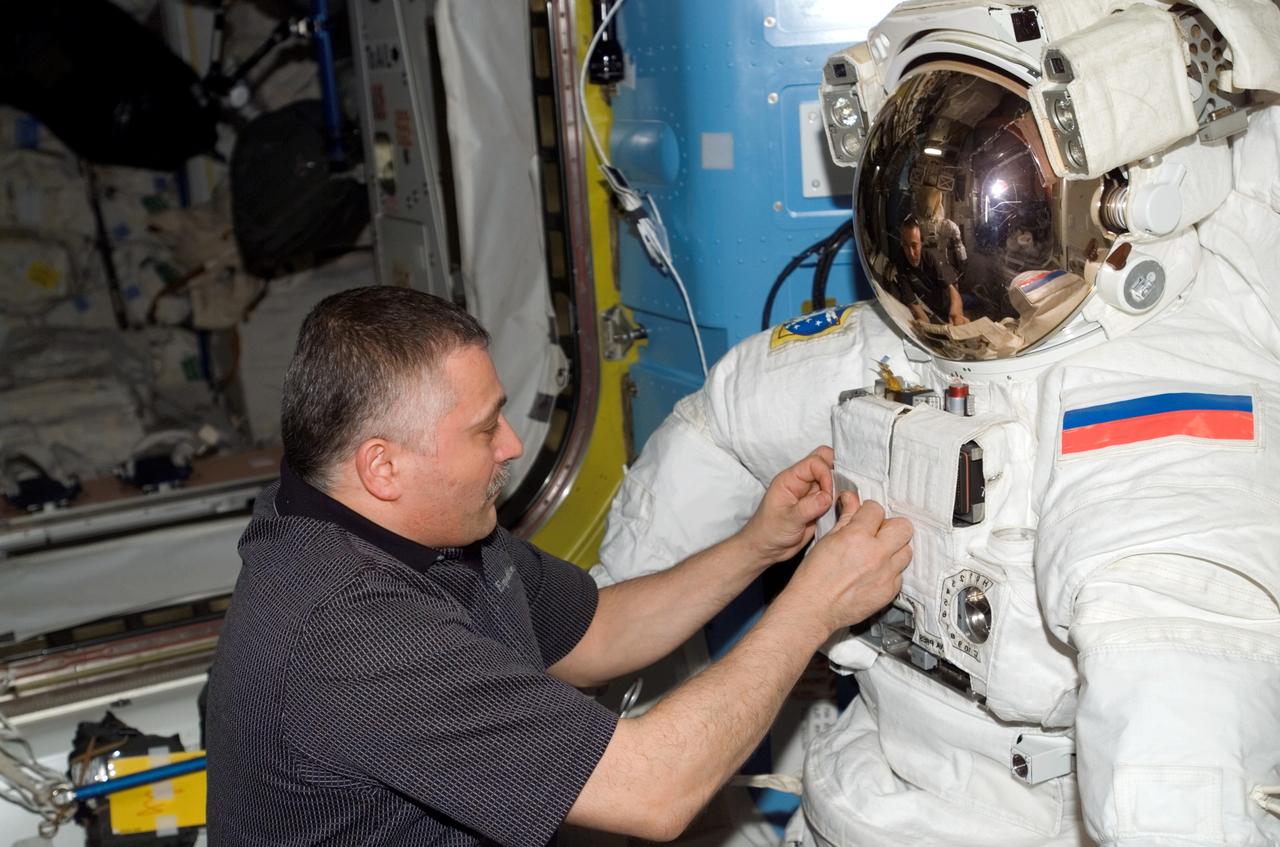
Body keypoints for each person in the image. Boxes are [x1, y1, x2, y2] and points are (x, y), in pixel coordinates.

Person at [598, 3, 1280, 845]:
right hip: (864, 785)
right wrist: (605, 695)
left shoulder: (1153, 428)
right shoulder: (882, 351)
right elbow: (723, 424)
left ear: (1136, 191)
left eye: (987, 178)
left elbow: (1167, 785)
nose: (935, 231)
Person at [205, 285, 913, 846]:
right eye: (485, 430)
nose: (512, 446)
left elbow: (596, 632)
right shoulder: (349, 633)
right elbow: (656, 790)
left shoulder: (411, 528)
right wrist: (814, 604)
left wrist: (759, 545)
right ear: (383, 466)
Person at [888, 215, 967, 326]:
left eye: (914, 245)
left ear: (921, 243)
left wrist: (957, 313)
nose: (910, 253)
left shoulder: (931, 256)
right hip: (933, 306)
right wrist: (924, 322)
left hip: (948, 301)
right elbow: (912, 301)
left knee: (972, 302)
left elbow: (953, 289)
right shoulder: (901, 261)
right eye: (906, 245)